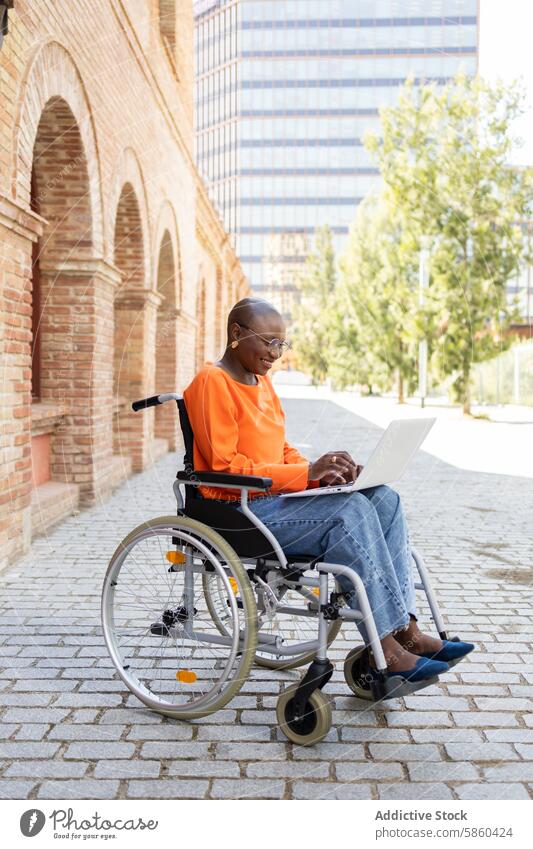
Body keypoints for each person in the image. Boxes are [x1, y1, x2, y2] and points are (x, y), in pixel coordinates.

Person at [183, 297, 474, 682]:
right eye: (268, 342)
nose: (276, 353)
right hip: (238, 509)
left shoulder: (263, 384)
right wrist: (305, 476)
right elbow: (225, 466)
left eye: (281, 344)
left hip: (274, 501)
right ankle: (385, 645)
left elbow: (280, 449)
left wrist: (322, 472)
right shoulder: (211, 382)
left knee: (383, 498)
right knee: (348, 513)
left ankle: (408, 632)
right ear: (236, 334)